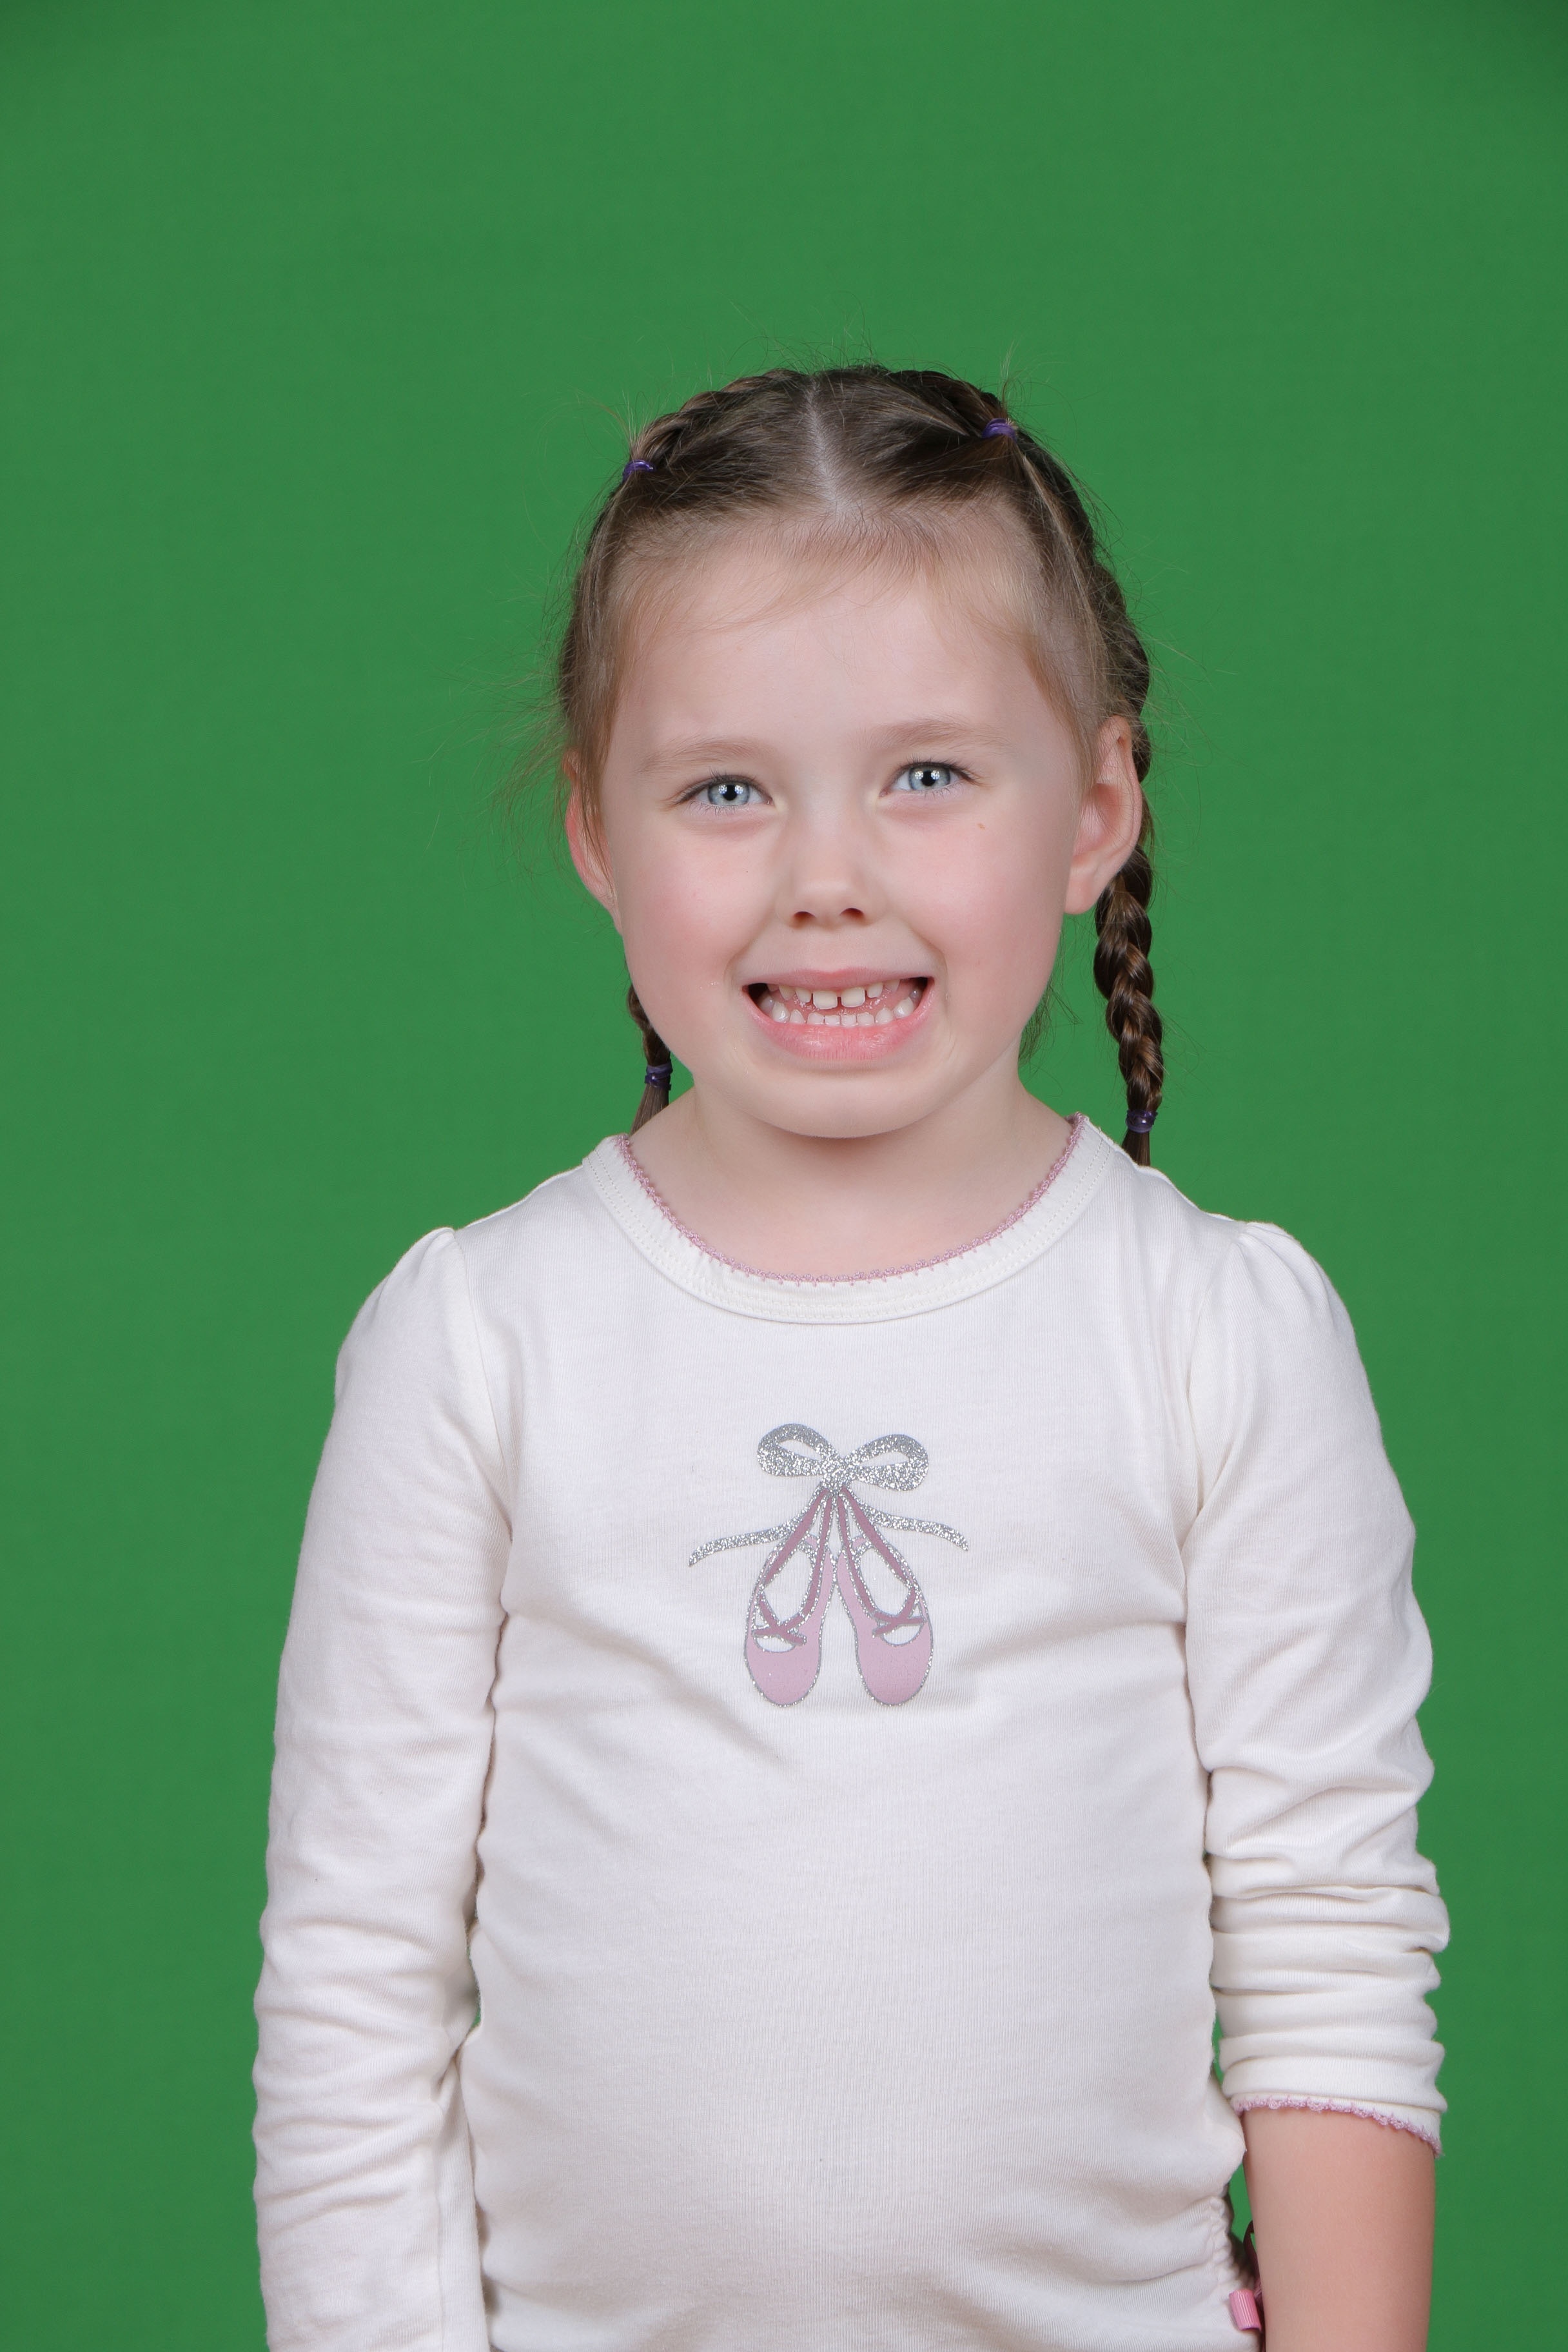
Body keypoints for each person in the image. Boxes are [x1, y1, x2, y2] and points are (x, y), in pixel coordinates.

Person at [253, 365, 1448, 2351]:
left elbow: (1330, 1941)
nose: (829, 874)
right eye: (728, 789)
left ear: (1098, 810)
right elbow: (354, 1993)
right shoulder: (478, 1342)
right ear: (596, 828)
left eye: (929, 776)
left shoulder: (1216, 1330)